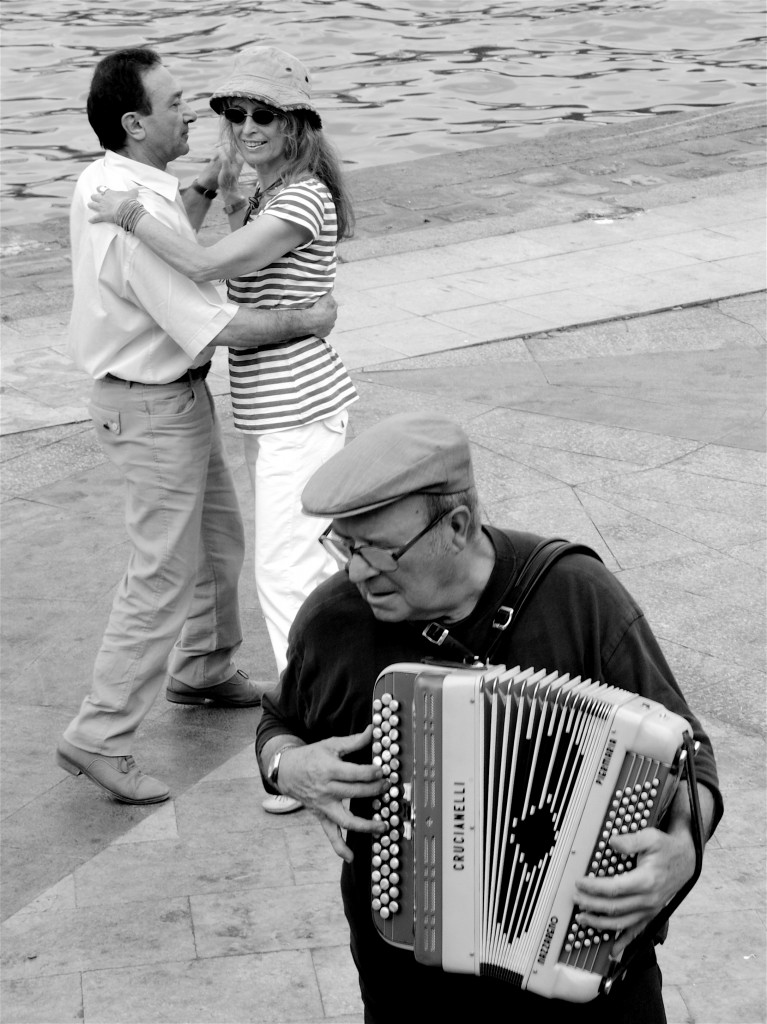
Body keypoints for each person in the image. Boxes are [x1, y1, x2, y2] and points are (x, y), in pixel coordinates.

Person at [255, 412, 723, 1024]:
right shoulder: (335, 621)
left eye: (378, 550)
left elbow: (694, 759)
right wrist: (288, 767)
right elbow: (277, 722)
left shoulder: (577, 597)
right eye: (345, 545)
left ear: (456, 524)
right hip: (409, 979)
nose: (356, 571)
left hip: (577, 962)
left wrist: (685, 845)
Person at [56, 46, 337, 807]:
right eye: (179, 102)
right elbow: (213, 322)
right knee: (162, 576)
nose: (198, 115)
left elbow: (173, 238)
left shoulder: (112, 179)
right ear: (135, 121)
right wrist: (306, 318)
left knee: (219, 542)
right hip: (151, 408)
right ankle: (101, 733)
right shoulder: (127, 210)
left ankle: (205, 666)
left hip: (163, 400)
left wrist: (209, 190)